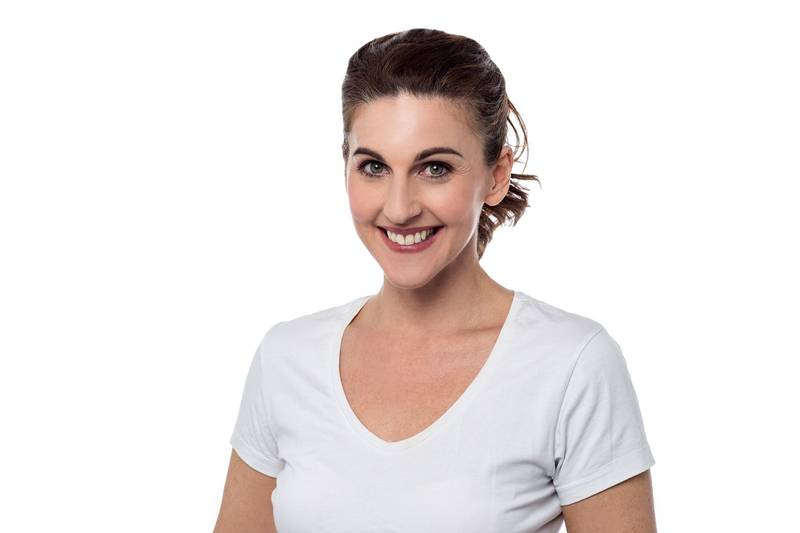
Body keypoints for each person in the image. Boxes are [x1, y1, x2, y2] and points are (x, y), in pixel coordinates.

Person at [214, 28, 657, 533]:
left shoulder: (571, 365)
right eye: (374, 166)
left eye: (435, 168)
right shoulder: (287, 358)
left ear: (496, 175)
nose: (399, 208)